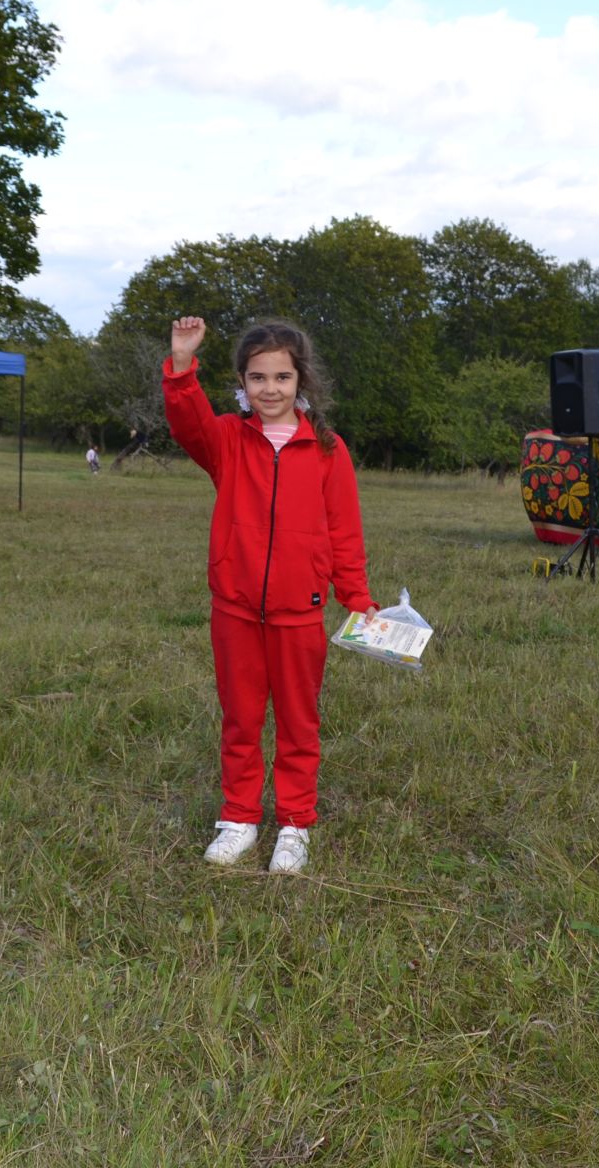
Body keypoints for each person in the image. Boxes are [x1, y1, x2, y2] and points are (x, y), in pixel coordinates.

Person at [162, 317, 377, 876]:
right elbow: (187, 422)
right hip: (234, 611)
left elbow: (344, 532)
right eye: (258, 378)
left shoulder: (329, 449)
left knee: (298, 723)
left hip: (298, 613)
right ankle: (238, 820)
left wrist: (356, 597)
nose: (271, 389)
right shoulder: (228, 440)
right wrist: (183, 365)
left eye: (282, 377)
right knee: (240, 720)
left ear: (301, 380)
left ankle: (294, 825)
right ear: (242, 381)